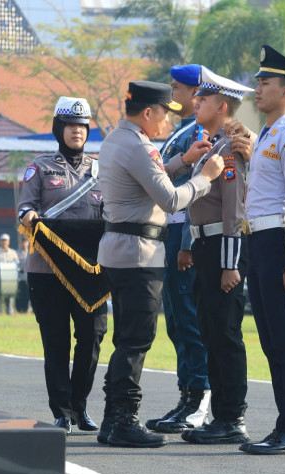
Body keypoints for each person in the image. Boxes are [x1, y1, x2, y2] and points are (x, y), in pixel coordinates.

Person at [96, 80, 223, 448]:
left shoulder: (118, 140)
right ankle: (123, 420)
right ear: (149, 113)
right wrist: (204, 177)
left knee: (127, 340)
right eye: (166, 114)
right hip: (139, 252)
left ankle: (112, 419)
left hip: (120, 249)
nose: (169, 122)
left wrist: (181, 161)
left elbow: (143, 181)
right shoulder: (140, 146)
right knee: (136, 340)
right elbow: (169, 200)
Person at [229, 45, 285, 455]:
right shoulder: (267, 133)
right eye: (259, 81)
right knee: (271, 339)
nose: (258, 88)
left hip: (280, 242)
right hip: (259, 241)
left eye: (266, 83)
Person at [167, 67, 255, 445]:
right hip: (205, 245)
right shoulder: (212, 145)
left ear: (221, 107)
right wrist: (189, 243)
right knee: (209, 331)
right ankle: (220, 415)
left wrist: (231, 265)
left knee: (224, 336)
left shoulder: (230, 149)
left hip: (222, 248)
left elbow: (234, 211)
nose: (195, 103)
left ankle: (231, 418)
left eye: (202, 100)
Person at [18, 96, 108, 435]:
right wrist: (28, 216)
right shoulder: (39, 167)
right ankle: (62, 410)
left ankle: (80, 405)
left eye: (82, 127)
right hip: (47, 270)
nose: (77, 132)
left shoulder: (101, 170)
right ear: (60, 129)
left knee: (93, 335)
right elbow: (25, 207)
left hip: (89, 271)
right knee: (55, 341)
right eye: (71, 126)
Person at [146, 64, 211, 434]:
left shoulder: (197, 133)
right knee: (175, 319)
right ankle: (187, 395)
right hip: (168, 234)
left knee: (188, 318)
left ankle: (199, 399)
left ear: (195, 93)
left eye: (177, 87)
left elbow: (199, 193)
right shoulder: (179, 132)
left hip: (184, 235)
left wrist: (187, 242)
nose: (172, 92)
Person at [0, 233, 19, 315]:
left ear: (8, 242)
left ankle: (10, 312)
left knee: (10, 295)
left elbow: (17, 264)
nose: (4, 242)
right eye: (2, 240)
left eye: (5, 240)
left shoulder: (13, 252)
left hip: (10, 279)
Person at [15, 237, 30, 313]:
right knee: (19, 294)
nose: (24, 244)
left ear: (28, 243)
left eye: (25, 242)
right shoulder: (16, 253)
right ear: (20, 243)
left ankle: (26, 309)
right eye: (22, 242)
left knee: (27, 295)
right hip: (18, 277)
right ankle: (18, 309)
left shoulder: (30, 253)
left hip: (28, 278)